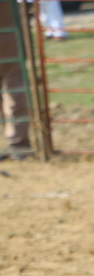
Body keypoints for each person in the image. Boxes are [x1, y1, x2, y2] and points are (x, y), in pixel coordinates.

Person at [0, 0, 31, 159]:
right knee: (14, 90)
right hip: (9, 36)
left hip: (8, 38)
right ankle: (16, 143)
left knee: (14, 91)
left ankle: (18, 143)